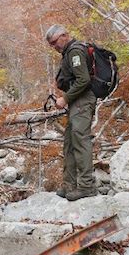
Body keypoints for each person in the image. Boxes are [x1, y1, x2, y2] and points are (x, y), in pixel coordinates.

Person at [45, 24, 97, 201]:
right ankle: (69, 184)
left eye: (54, 42)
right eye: (51, 44)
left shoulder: (75, 51)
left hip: (83, 101)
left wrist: (65, 98)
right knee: (69, 142)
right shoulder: (68, 52)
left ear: (64, 36)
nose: (54, 47)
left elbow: (83, 80)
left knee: (80, 140)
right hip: (77, 101)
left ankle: (86, 186)